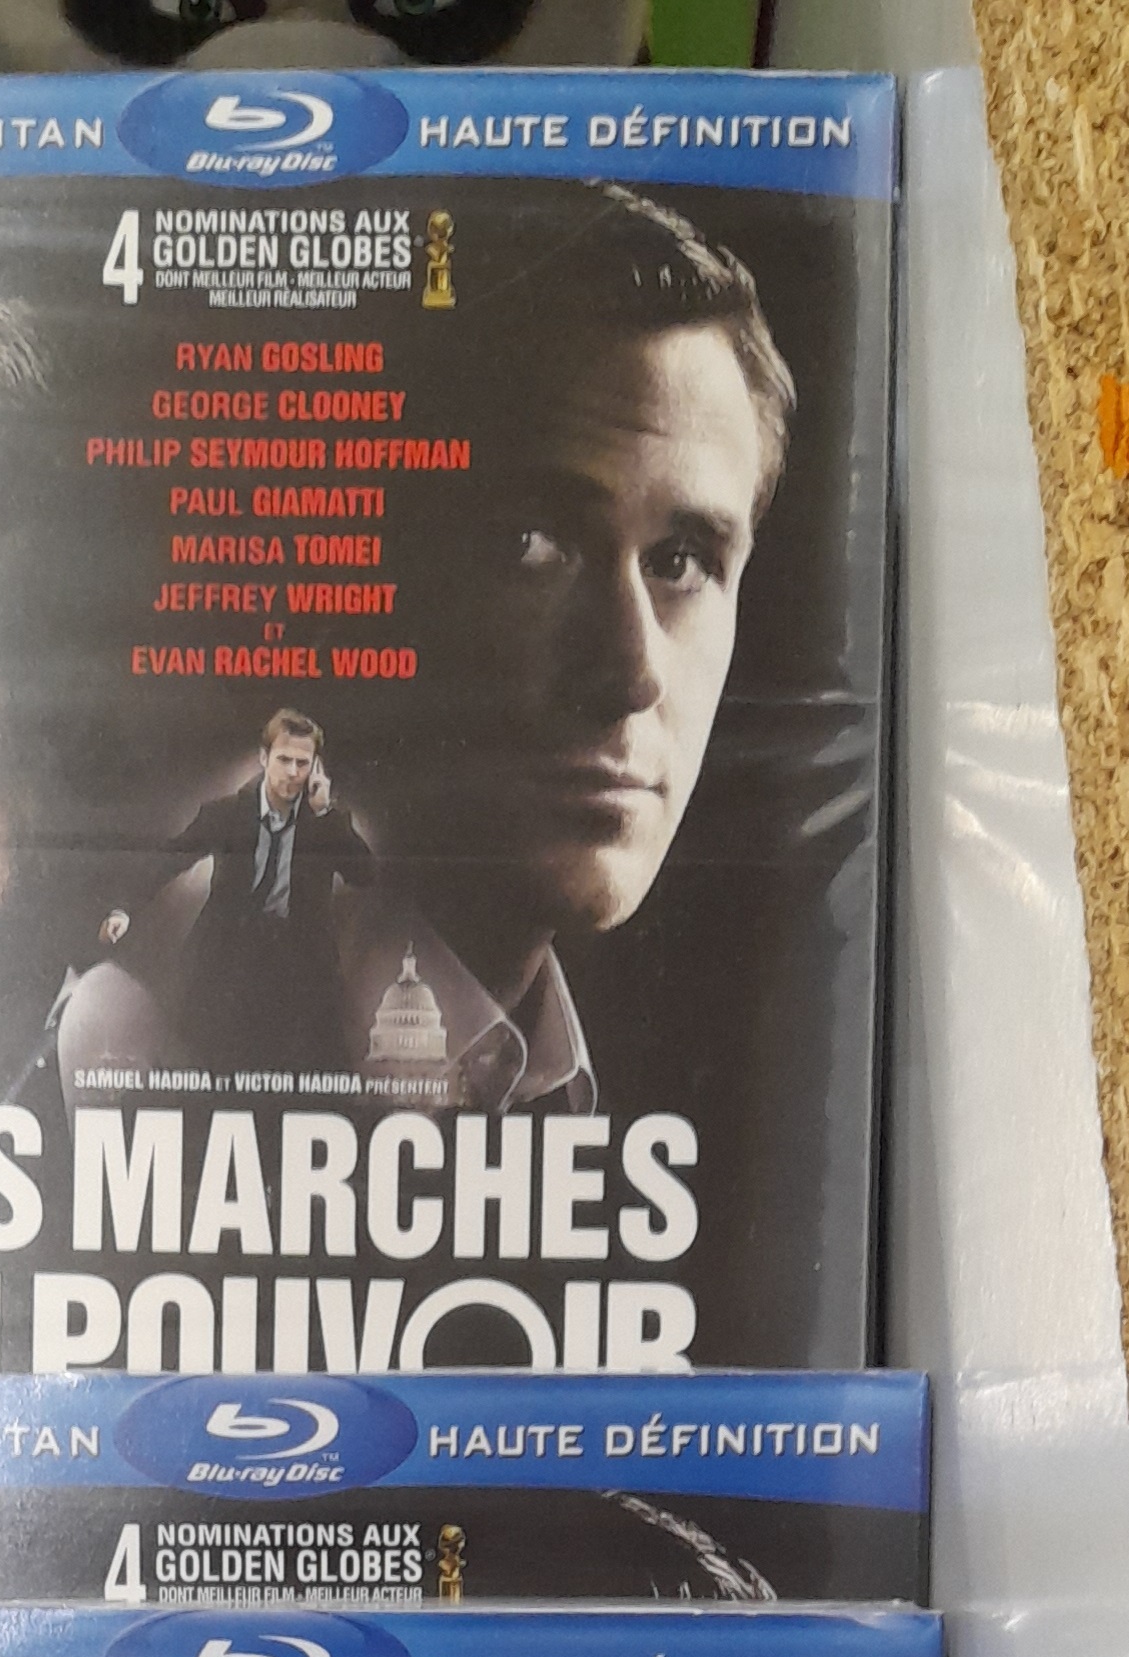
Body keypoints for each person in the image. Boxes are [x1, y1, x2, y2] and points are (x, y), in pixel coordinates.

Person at [65, 184, 796, 1118]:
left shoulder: (562, 1075)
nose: (631, 671)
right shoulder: (141, 1034)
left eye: (681, 562)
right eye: (530, 545)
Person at [95, 710, 372, 1074]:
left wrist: (326, 815)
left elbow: (365, 875)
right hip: (227, 964)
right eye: (283, 759)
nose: (292, 772)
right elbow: (167, 861)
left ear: (315, 766)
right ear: (264, 757)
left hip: (299, 970)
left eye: (302, 763)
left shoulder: (325, 821)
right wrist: (123, 909)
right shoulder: (225, 814)